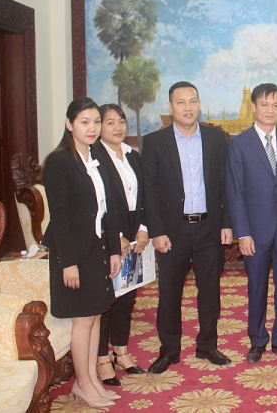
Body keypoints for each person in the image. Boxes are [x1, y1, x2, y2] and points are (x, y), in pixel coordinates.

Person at [142, 81, 233, 374]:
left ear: (199, 104)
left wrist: (227, 223)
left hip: (209, 228)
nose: (187, 107)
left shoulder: (216, 139)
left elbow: (225, 185)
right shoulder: (155, 142)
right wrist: (156, 231)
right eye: (180, 102)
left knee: (210, 292)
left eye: (192, 101)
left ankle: (207, 345)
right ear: (170, 107)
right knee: (169, 293)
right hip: (172, 231)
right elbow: (149, 191)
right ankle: (169, 350)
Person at [43, 97, 122, 408]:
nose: (92, 128)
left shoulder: (97, 157)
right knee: (83, 320)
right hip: (74, 253)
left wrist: (114, 250)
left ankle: (91, 380)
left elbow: (109, 210)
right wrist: (68, 262)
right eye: (84, 122)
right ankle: (83, 384)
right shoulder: (59, 162)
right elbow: (59, 218)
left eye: (96, 122)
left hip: (99, 248)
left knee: (96, 315)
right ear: (69, 124)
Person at [226, 83, 277, 364]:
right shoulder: (239, 143)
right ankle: (258, 340)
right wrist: (243, 233)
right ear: (254, 107)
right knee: (257, 287)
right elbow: (235, 191)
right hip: (256, 231)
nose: (270, 110)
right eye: (264, 105)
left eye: (275, 105)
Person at [94, 104, 148, 385]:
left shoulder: (133, 156)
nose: (117, 127)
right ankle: (102, 359)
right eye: (109, 122)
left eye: (121, 121)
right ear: (99, 127)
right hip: (105, 234)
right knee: (107, 299)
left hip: (132, 232)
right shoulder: (94, 158)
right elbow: (96, 204)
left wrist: (142, 229)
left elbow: (144, 197)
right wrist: (116, 236)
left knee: (127, 295)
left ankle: (122, 352)